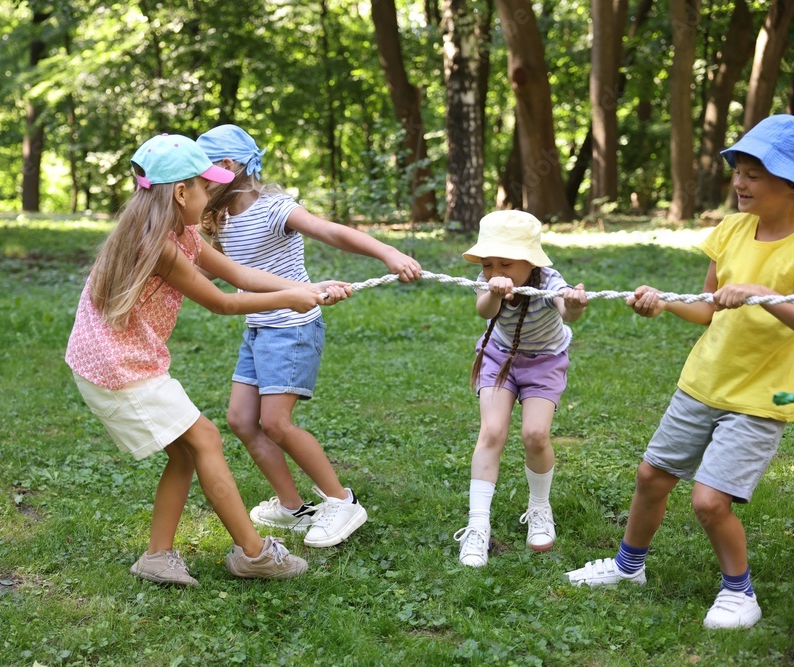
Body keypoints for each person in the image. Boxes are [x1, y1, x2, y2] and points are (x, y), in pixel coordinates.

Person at [65, 133, 352, 587]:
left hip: (122, 363)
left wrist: (305, 289)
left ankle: (158, 556)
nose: (211, 194)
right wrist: (292, 298)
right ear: (182, 193)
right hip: (119, 369)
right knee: (205, 439)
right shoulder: (157, 245)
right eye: (205, 186)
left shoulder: (181, 231)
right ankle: (254, 554)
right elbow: (222, 302)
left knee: (186, 453)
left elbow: (237, 273)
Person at [565, 114, 794, 630]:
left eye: (755, 175)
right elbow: (708, 306)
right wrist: (666, 304)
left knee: (710, 502)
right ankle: (628, 568)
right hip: (702, 382)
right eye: (738, 171)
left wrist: (760, 295)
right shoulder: (732, 230)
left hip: (759, 396)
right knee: (651, 477)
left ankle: (740, 592)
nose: (740, 183)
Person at [194, 124, 423, 548]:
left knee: (275, 423)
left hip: (293, 329)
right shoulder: (223, 217)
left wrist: (388, 253)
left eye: (200, 171)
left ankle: (341, 500)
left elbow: (331, 231)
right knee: (242, 421)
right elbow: (222, 267)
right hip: (260, 327)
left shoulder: (274, 208)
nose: (195, 181)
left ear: (228, 166)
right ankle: (293, 507)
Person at [453, 210, 588, 567]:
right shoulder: (489, 281)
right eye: (487, 263)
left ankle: (540, 508)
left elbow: (566, 310)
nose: (495, 270)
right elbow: (484, 308)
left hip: (544, 362)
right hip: (498, 358)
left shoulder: (549, 279)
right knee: (492, 431)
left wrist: (573, 303)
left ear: (530, 262)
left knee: (535, 435)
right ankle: (477, 526)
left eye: (506, 263)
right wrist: (495, 290)